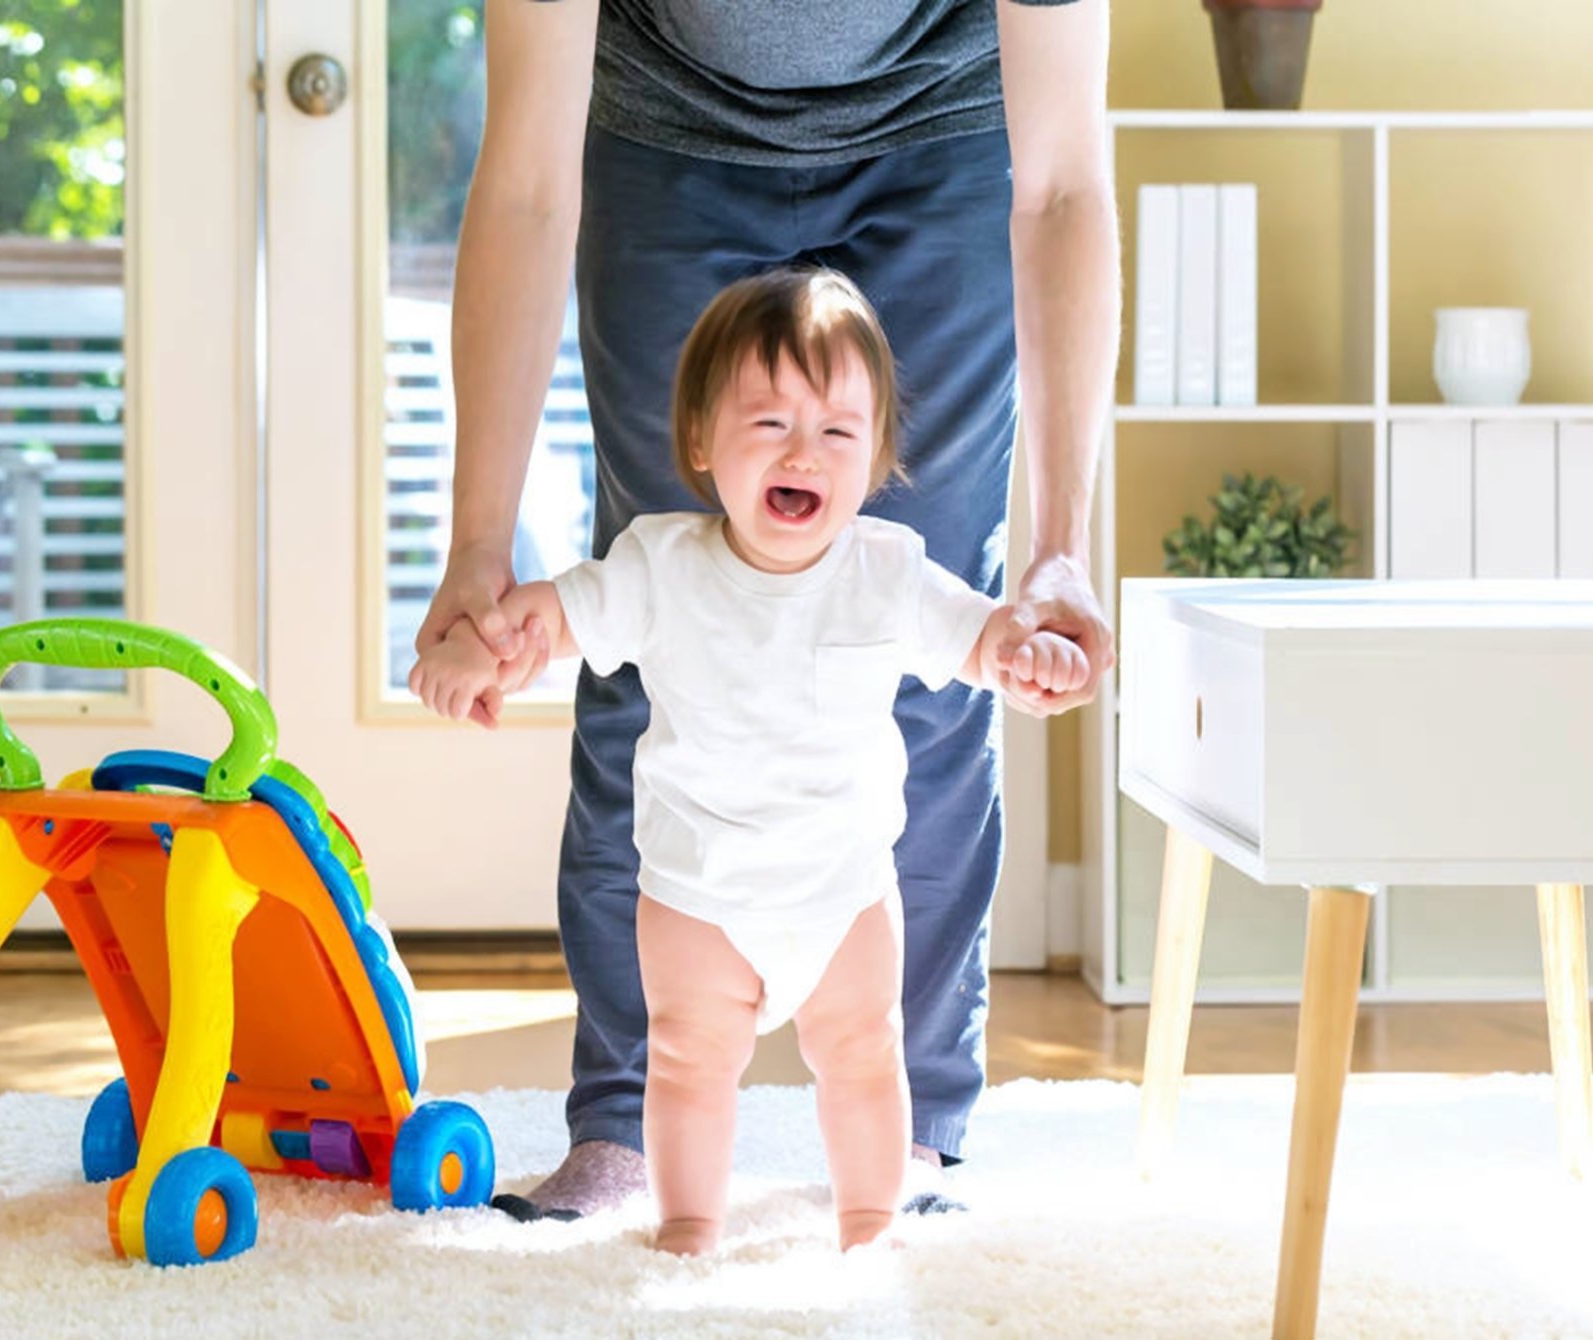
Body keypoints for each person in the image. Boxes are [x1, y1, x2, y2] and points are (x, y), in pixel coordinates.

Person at [416, 0, 1118, 1222]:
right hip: (666, 135)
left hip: (942, 130)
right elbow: (527, 176)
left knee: (937, 625)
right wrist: (479, 540)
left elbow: (1059, 183)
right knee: (652, 615)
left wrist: (1059, 552)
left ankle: (911, 1132)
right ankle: (629, 1121)